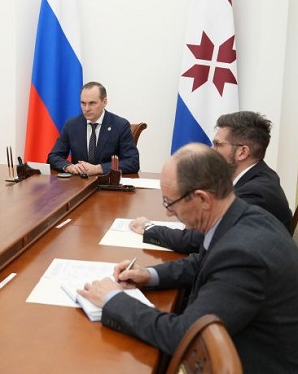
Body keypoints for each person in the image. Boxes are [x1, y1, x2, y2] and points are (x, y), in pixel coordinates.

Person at [79, 143, 298, 372]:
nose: (168, 213)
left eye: (170, 203)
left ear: (203, 199)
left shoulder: (243, 255)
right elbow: (203, 261)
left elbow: (184, 336)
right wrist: (149, 275)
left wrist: (113, 299)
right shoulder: (241, 216)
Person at [131, 111, 292, 253]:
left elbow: (196, 240)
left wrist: (149, 228)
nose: (211, 150)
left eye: (217, 144)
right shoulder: (252, 177)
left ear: (242, 152)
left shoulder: (256, 192)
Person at [47, 81, 139, 176]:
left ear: (104, 102)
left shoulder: (120, 125)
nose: (87, 109)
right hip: (79, 182)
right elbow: (54, 156)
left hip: (107, 181)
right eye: (83, 103)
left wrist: (98, 168)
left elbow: (132, 162)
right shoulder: (71, 125)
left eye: (92, 103)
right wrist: (69, 167)